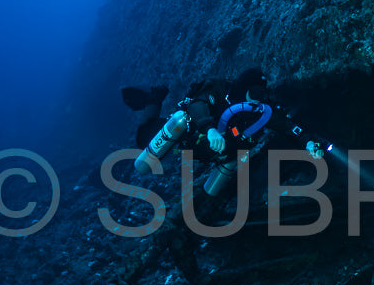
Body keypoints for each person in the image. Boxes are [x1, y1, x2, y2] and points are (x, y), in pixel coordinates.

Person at [126, 68, 327, 195]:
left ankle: (207, 201)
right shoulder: (220, 89)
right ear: (243, 87)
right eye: (253, 93)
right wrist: (210, 129)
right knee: (143, 138)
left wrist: (307, 142)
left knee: (231, 163)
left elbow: (287, 125)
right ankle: (153, 98)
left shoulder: (259, 110)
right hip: (189, 133)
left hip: (211, 151)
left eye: (261, 95)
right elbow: (199, 104)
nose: (256, 100)